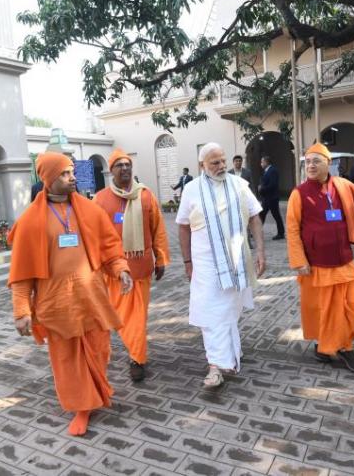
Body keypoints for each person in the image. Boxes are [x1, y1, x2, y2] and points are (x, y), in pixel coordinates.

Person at [7, 151, 133, 437]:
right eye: (65, 174)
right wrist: (21, 311)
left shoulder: (90, 211)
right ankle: (82, 407)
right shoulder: (30, 222)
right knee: (68, 360)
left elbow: (110, 246)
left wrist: (121, 269)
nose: (72, 177)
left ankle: (95, 391)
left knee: (99, 350)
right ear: (49, 179)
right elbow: (21, 274)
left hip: (92, 297)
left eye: (72, 172)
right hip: (57, 303)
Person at [176, 143, 265, 388]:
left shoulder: (239, 185)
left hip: (235, 261)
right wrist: (187, 261)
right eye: (215, 163)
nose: (222, 166)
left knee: (228, 310)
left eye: (223, 160)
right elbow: (183, 226)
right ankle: (215, 365)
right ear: (202, 165)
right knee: (210, 311)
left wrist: (260, 251)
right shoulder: (191, 189)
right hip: (204, 263)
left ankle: (228, 354)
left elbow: (255, 217)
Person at [286, 143, 354, 375]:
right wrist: (299, 260)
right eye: (308, 162)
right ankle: (329, 347)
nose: (311, 166)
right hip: (315, 263)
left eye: (316, 161)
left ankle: (341, 348)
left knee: (346, 306)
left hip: (343, 260)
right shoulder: (299, 193)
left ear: (329, 163)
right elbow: (293, 229)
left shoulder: (344, 187)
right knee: (322, 309)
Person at [94, 149, 170, 382]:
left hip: (140, 268)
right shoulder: (100, 199)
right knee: (120, 316)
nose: (125, 168)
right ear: (111, 170)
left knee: (137, 318)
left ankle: (137, 358)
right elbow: (94, 235)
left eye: (128, 164)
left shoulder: (145, 195)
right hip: (113, 272)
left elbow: (158, 230)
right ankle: (135, 350)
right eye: (120, 165)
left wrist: (161, 258)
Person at [258, 156, 285, 240]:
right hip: (266, 198)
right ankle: (257, 231)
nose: (261, 164)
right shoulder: (267, 171)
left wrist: (262, 189)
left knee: (276, 215)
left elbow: (273, 184)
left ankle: (281, 233)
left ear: (266, 162)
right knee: (262, 214)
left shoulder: (273, 170)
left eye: (262, 162)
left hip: (272, 198)